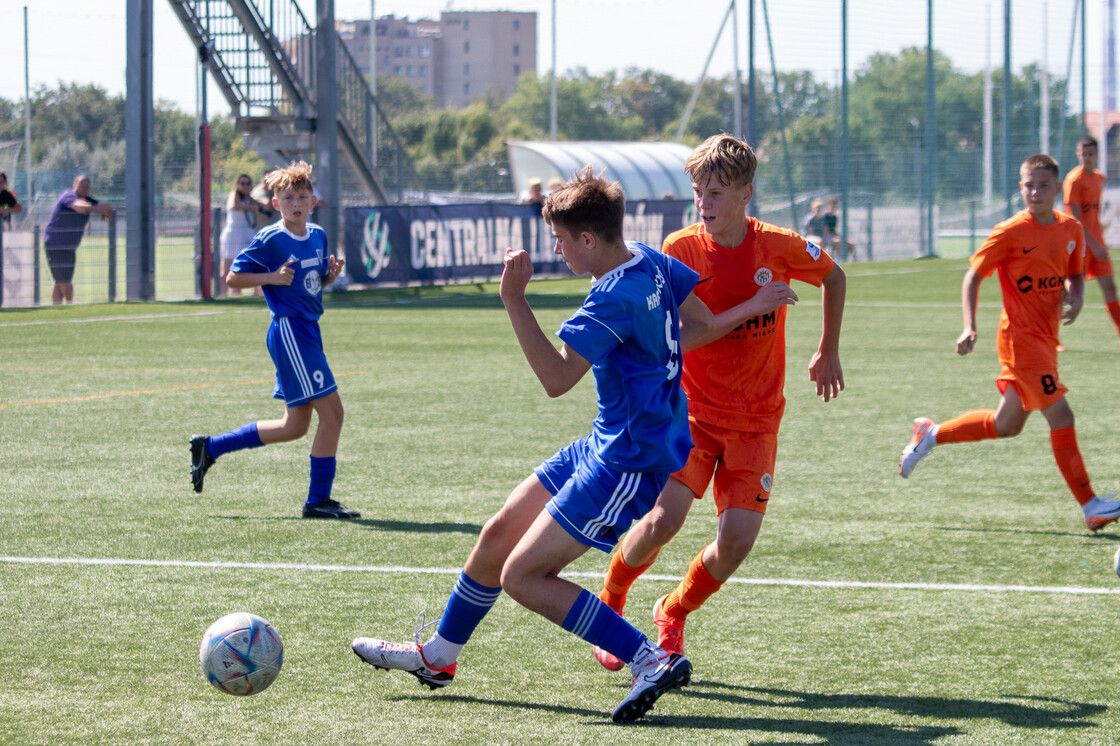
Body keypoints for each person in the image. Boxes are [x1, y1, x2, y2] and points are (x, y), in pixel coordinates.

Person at [350, 166, 798, 724]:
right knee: (498, 534)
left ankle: (648, 659)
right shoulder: (648, 259)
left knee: (522, 576)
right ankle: (440, 657)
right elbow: (700, 326)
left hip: (627, 462)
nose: (557, 251)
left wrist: (514, 299)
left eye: (560, 241)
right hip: (606, 440)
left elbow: (557, 379)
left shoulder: (612, 297)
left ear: (588, 238)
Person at [588, 133, 846, 672]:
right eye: (699, 192)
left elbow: (835, 276)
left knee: (735, 545)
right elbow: (683, 335)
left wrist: (828, 349)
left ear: (746, 193)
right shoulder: (679, 249)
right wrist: (755, 303)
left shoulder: (777, 245)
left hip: (757, 421)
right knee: (663, 521)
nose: (704, 203)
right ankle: (611, 601)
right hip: (694, 414)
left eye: (716, 193)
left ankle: (672, 610)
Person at [900, 153, 1119, 532]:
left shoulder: (1070, 229)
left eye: (1043, 185)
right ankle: (1091, 505)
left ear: (1056, 190)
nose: (1034, 192)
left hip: (1047, 339)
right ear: (1020, 187)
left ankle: (929, 435)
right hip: (1020, 341)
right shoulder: (1010, 232)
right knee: (1062, 416)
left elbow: (1074, 273)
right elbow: (973, 278)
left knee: (1007, 424)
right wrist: (969, 327)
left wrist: (1078, 295)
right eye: (1028, 185)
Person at [189, 161, 358, 520]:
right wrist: (272, 277)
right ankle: (317, 501)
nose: (295, 203)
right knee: (334, 414)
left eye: (301, 196)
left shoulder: (317, 235)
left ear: (313, 200)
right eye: (287, 198)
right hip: (290, 333)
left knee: (294, 426)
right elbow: (234, 278)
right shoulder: (270, 239)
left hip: (309, 331)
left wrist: (328, 277)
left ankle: (211, 447)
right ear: (276, 203)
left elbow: (310, 285)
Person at [1062, 135, 1120, 344]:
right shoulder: (1074, 180)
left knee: (1110, 288)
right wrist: (1094, 245)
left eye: (1090, 154)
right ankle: (1052, 337)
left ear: (1096, 155)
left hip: (1097, 242)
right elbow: (1076, 219)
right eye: (1083, 154)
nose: (1086, 158)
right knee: (1067, 290)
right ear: (1078, 155)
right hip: (1080, 244)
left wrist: (1100, 233)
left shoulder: (1099, 179)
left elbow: (1092, 215)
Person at [42, 174, 114, 304]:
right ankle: (70, 305)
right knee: (64, 280)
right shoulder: (68, 196)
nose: (85, 189)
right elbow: (80, 207)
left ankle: (57, 307)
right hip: (56, 243)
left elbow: (105, 210)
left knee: (60, 279)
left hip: (69, 246)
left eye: (87, 187)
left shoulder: (89, 200)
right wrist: (97, 209)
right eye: (82, 186)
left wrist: (104, 211)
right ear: (74, 185)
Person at [218, 174, 270, 296]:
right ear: (238, 185)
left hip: (246, 234)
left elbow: (264, 205)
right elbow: (234, 206)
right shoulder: (234, 194)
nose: (245, 186)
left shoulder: (250, 198)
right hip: (233, 234)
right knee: (227, 267)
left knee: (249, 266)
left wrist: (263, 205)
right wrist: (253, 207)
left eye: (248, 183)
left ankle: (251, 294)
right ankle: (222, 294)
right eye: (242, 183)